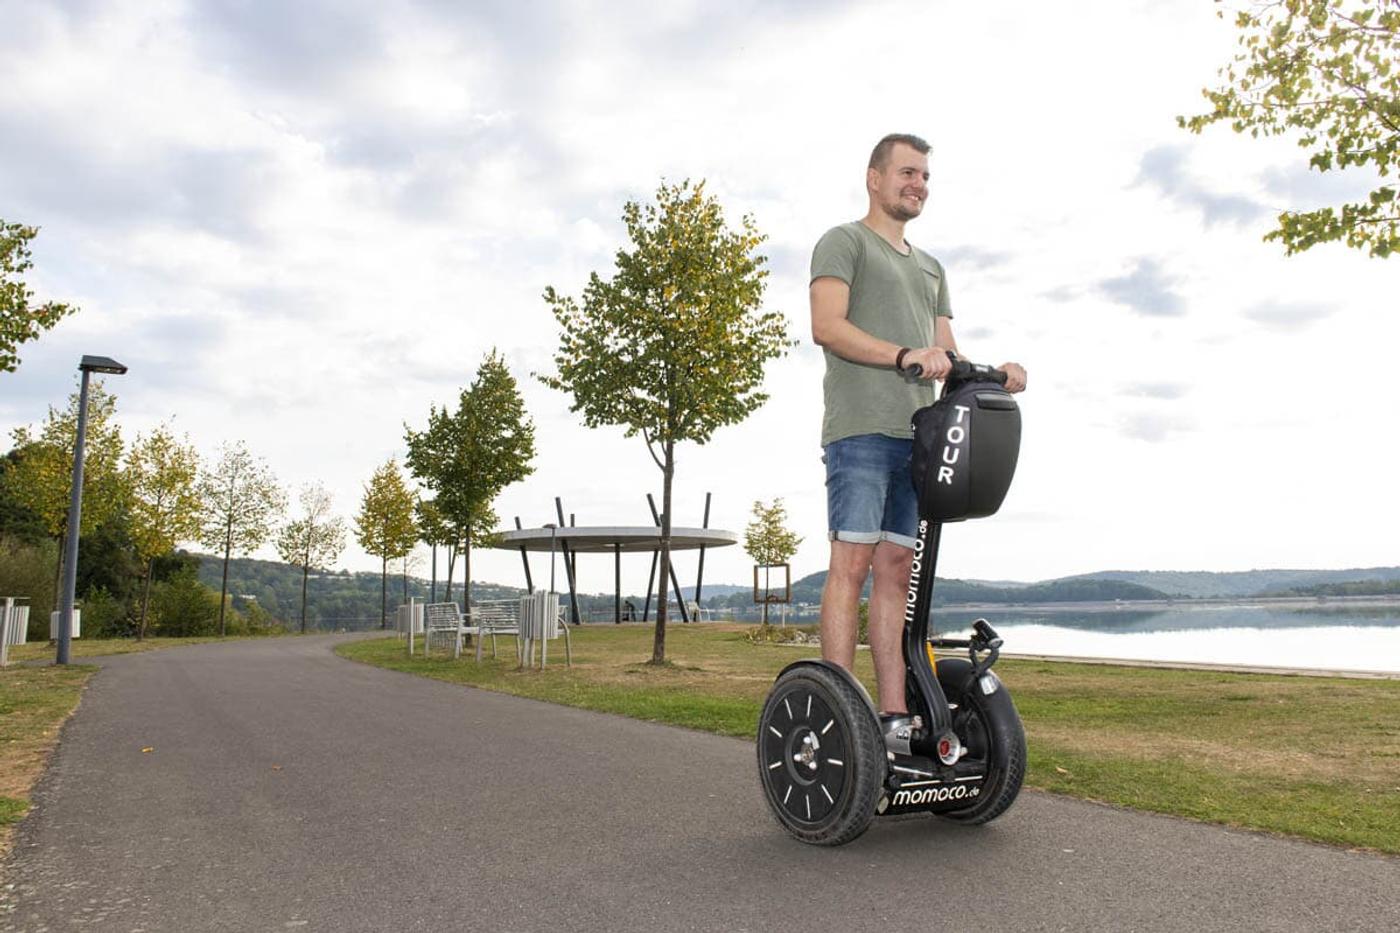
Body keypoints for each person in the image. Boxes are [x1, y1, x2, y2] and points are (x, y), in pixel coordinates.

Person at [809, 133, 1027, 733]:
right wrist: (903, 355)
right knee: (851, 565)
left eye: (925, 176)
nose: (918, 184)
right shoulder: (844, 242)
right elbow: (827, 326)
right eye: (907, 172)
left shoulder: (931, 268)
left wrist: (996, 373)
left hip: (920, 440)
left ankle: (894, 715)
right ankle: (842, 714)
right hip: (860, 429)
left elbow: (946, 353)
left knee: (897, 569)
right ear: (875, 178)